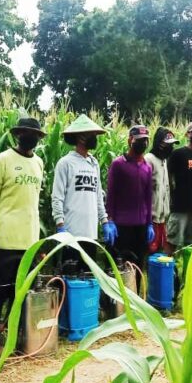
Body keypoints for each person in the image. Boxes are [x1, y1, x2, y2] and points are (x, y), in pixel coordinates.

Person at [0, 117, 45, 352]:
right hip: (5, 239)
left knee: (23, 294)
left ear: (38, 138)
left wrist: (38, 241)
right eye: (26, 133)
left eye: (35, 135)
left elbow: (34, 203)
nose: (30, 138)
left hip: (29, 241)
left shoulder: (38, 163)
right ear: (18, 135)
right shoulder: (4, 160)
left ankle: (17, 339)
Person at [52, 115, 116, 273]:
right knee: (70, 278)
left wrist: (105, 221)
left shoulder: (93, 163)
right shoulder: (66, 163)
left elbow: (98, 196)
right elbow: (57, 197)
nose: (95, 138)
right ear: (80, 137)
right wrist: (60, 225)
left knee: (88, 278)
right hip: (71, 233)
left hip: (91, 233)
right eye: (91, 134)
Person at [106, 125, 154, 268]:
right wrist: (109, 220)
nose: (143, 143)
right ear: (130, 141)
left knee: (138, 265)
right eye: (139, 140)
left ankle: (135, 291)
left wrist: (149, 223)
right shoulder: (118, 164)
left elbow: (148, 197)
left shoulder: (147, 167)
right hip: (122, 225)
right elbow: (111, 194)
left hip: (141, 226)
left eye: (146, 140)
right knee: (121, 266)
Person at [166, 122, 192, 254]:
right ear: (187, 134)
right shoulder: (178, 154)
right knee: (172, 241)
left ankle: (187, 272)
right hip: (180, 206)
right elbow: (168, 176)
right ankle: (168, 269)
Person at [144, 127, 179, 252]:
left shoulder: (164, 161)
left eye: (172, 145)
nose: (171, 147)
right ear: (160, 144)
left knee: (158, 252)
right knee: (149, 252)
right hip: (151, 219)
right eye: (168, 144)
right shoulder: (149, 159)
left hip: (162, 219)